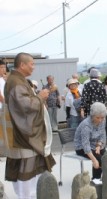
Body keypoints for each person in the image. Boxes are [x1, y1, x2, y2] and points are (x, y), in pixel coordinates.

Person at [4, 52, 55, 198]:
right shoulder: (15, 82)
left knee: (29, 173)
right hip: (24, 136)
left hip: (21, 134)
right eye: (32, 63)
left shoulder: (17, 80)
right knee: (27, 176)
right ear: (22, 65)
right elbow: (25, 106)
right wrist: (40, 97)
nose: (33, 67)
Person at [74, 102, 107, 180]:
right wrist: (94, 160)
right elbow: (85, 145)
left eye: (102, 117)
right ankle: (96, 180)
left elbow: (102, 135)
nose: (100, 120)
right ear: (92, 116)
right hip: (81, 147)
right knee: (99, 160)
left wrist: (99, 146)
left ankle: (105, 179)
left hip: (95, 144)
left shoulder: (103, 120)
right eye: (97, 118)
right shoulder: (86, 125)